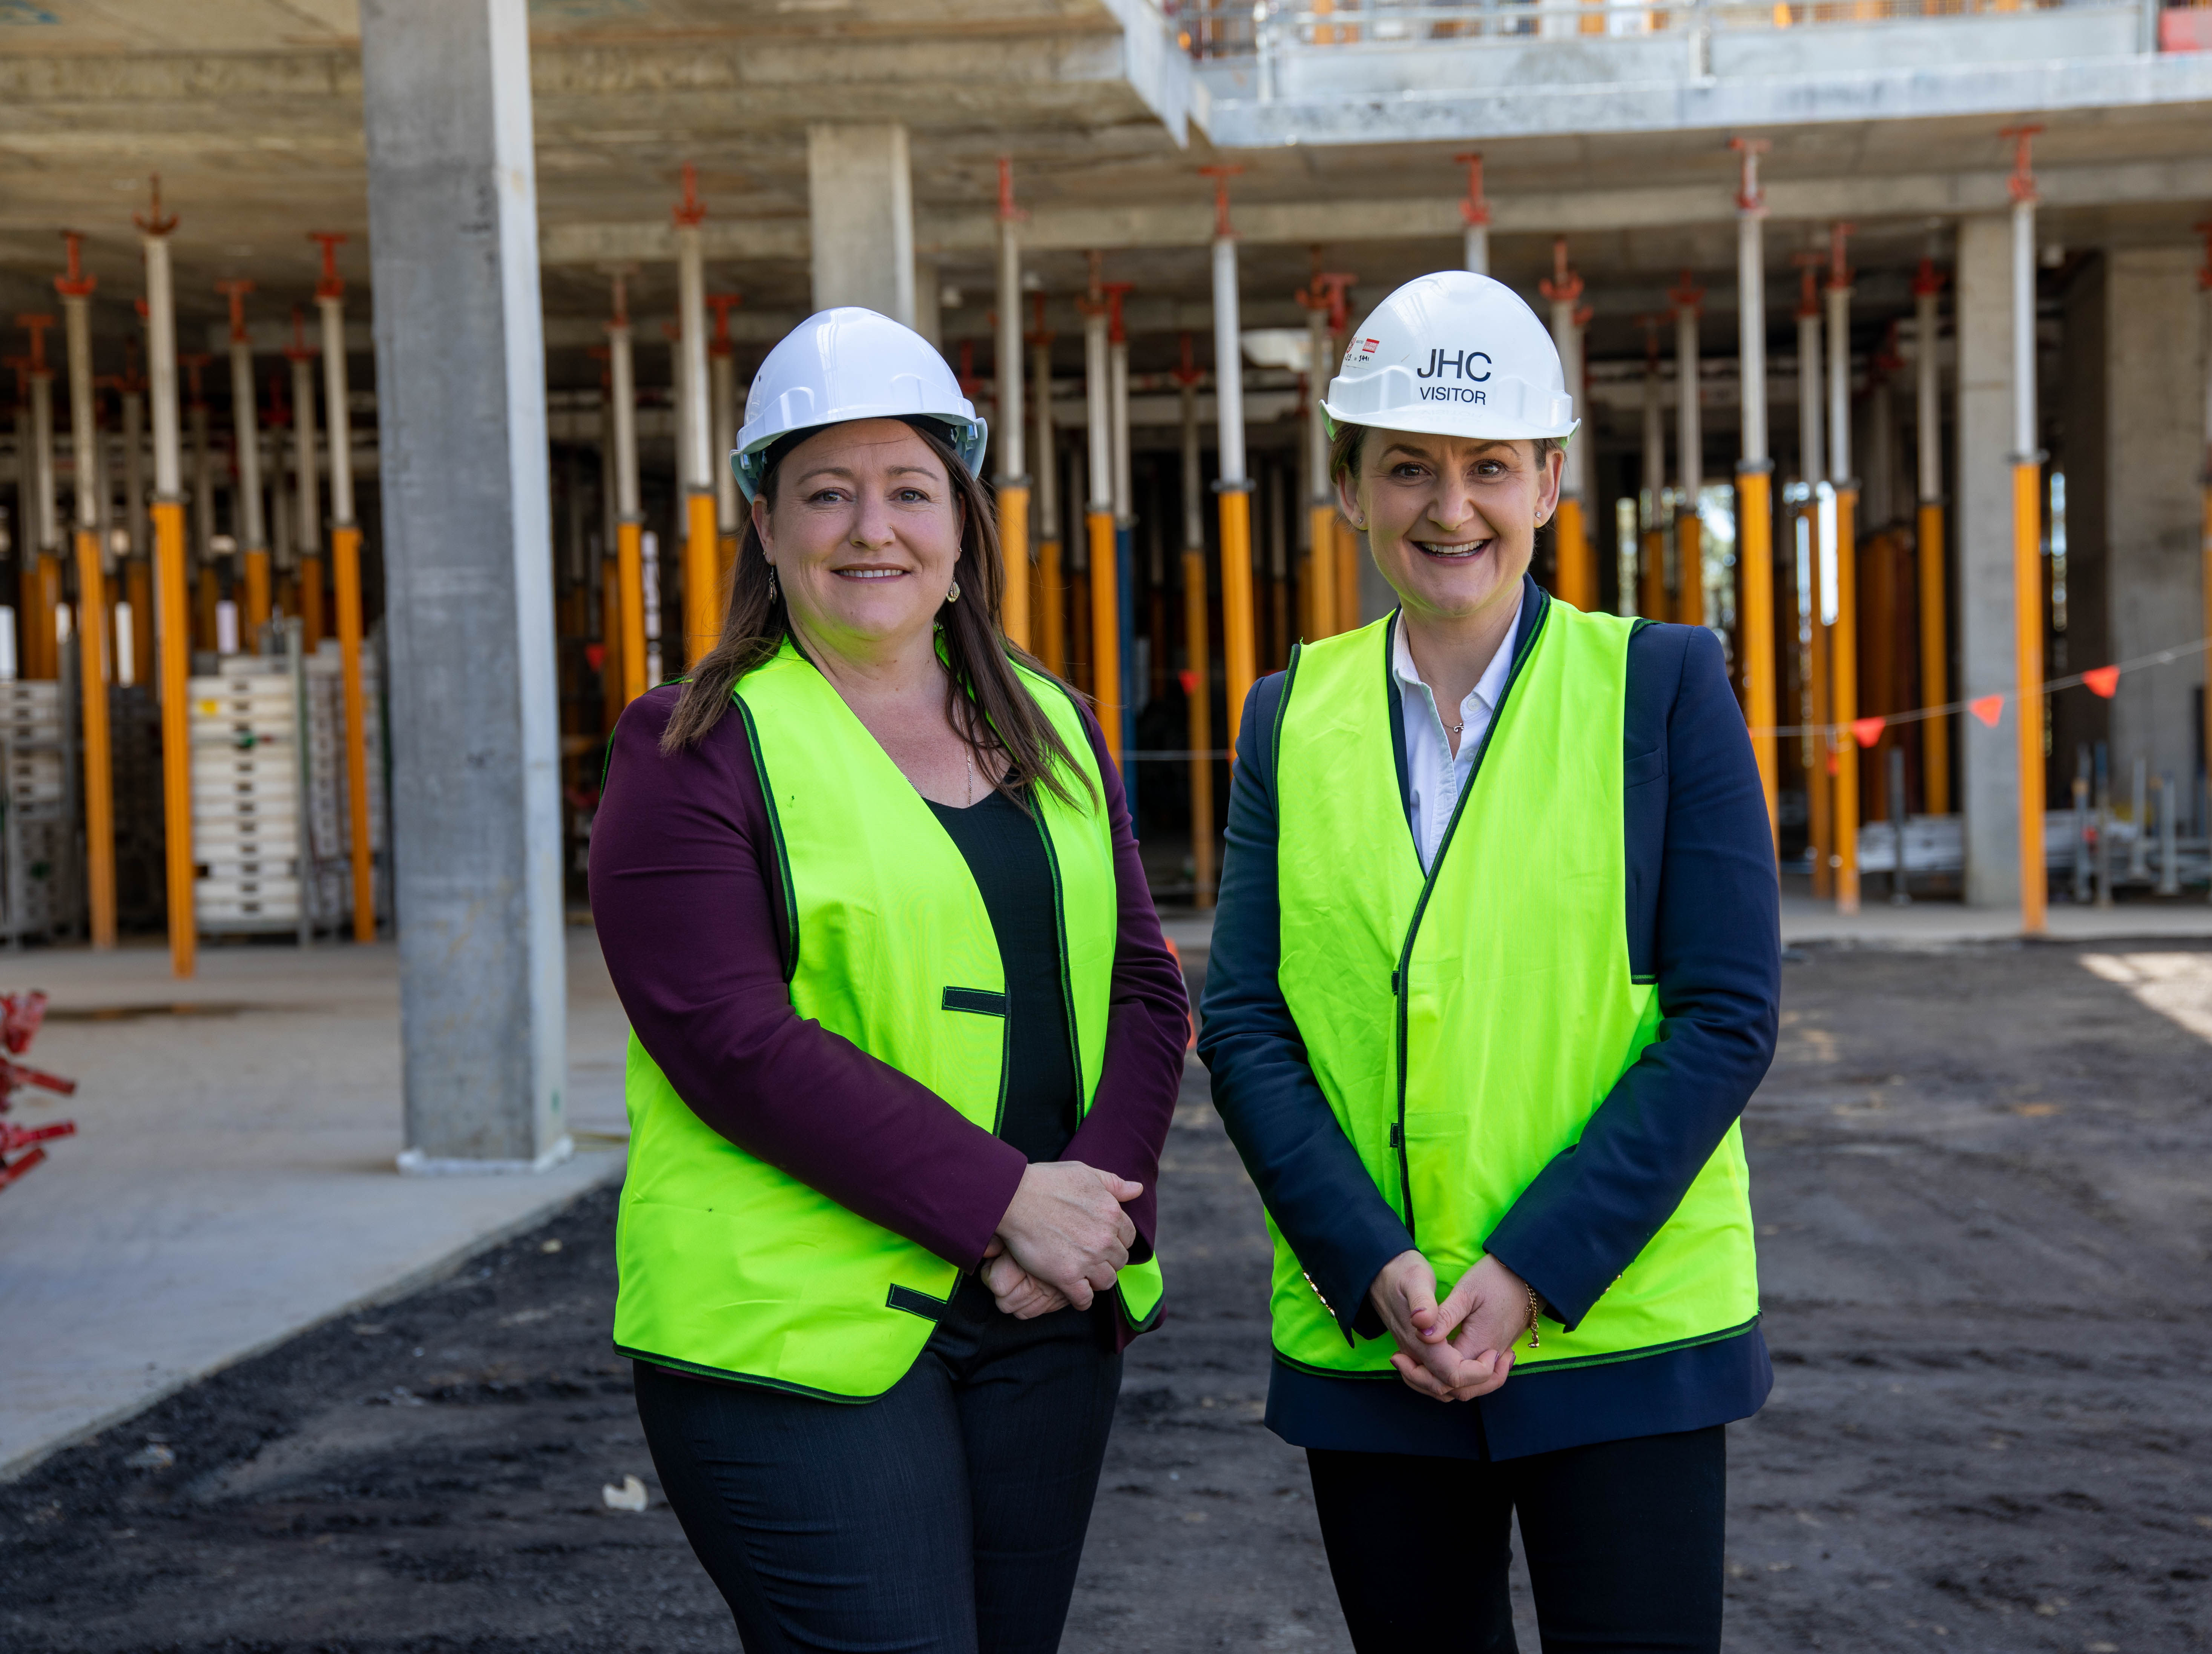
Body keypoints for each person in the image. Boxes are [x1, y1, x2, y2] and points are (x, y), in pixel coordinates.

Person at [591, 307, 1189, 1654]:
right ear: (765, 521)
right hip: (797, 1330)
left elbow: (1144, 985)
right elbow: (727, 1037)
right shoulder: (693, 744)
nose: (874, 528)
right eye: (828, 492)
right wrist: (1004, 1202)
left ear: (963, 520)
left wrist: (1095, 1210)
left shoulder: (1054, 721)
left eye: (910, 490)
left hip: (1046, 1313)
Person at [1197, 271, 1781, 1653]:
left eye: (1487, 469)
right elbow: (1247, 1023)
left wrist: (1527, 1269)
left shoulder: (1661, 686)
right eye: (1406, 467)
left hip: (1618, 1334)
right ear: (1348, 485)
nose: (1449, 507)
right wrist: (1371, 1262)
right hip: (1374, 1332)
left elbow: (1724, 1017)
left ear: (1549, 482)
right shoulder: (1288, 717)